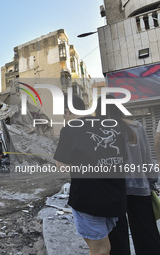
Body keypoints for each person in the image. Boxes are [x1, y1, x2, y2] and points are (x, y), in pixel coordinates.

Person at [53, 95, 127, 255]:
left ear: (67, 111)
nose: (64, 119)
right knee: (106, 243)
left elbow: (62, 166)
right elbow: (123, 159)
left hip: (90, 198)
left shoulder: (70, 129)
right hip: (115, 196)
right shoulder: (110, 124)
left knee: (100, 249)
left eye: (63, 115)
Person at [105, 100, 160, 255]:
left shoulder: (101, 130)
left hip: (114, 191)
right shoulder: (137, 126)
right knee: (147, 233)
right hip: (140, 187)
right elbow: (147, 160)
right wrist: (152, 183)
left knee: (117, 238)